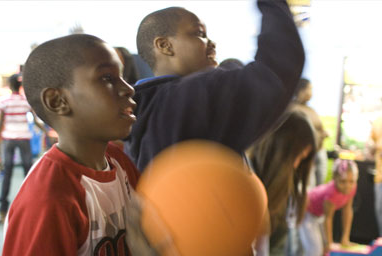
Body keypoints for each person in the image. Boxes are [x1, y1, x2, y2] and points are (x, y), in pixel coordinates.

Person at [123, 0, 305, 171]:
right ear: (164, 45)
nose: (213, 43)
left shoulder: (144, 107)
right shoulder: (186, 99)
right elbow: (279, 64)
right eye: (199, 33)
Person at [2, 34, 141, 256]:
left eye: (122, 77)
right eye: (107, 78)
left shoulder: (118, 162)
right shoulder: (47, 200)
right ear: (58, 101)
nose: (128, 89)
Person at [246, 110, 317, 255]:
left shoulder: (285, 193)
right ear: (279, 150)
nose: (296, 165)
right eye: (298, 156)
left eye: (303, 159)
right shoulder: (245, 182)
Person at [0, 73, 46, 224]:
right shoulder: (26, 101)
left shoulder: (4, 101)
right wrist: (48, 131)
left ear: (9, 85)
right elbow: (35, 121)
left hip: (8, 140)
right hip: (24, 139)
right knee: (28, 174)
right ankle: (33, 210)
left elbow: (1, 123)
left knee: (7, 173)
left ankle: (3, 211)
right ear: (20, 85)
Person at [298, 159, 358, 256]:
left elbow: (347, 211)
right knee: (315, 250)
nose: (348, 186)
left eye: (351, 181)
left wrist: (345, 238)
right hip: (306, 212)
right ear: (334, 179)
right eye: (343, 181)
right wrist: (329, 243)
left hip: (319, 215)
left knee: (322, 250)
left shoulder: (352, 188)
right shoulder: (331, 193)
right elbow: (328, 218)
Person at [292, 78, 329, 187]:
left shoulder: (309, 109)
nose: (311, 93)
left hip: (316, 152)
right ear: (301, 90)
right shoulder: (294, 109)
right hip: (303, 155)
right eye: (309, 89)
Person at [368, 116, 382, 237]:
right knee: (380, 210)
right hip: (380, 176)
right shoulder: (377, 122)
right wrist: (372, 146)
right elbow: (370, 143)